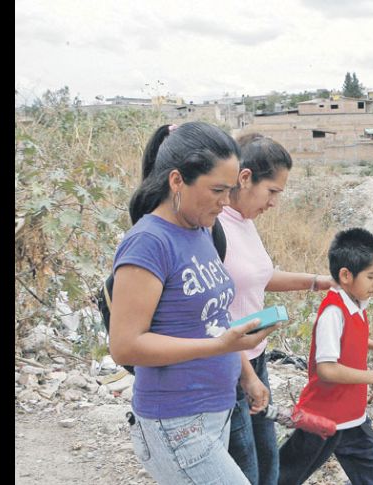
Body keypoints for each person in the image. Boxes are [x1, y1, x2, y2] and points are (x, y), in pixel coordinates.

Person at [109, 122, 278, 485]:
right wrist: (219, 346)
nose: (226, 200)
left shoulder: (203, 230)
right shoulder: (148, 243)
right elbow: (125, 344)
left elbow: (214, 318)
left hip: (214, 411)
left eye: (230, 190)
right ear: (176, 181)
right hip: (176, 422)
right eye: (217, 189)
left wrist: (247, 374)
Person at [219, 132, 334, 485]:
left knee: (269, 464)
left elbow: (259, 277)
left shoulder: (244, 223)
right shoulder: (215, 226)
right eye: (272, 192)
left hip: (254, 356)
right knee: (244, 470)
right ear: (245, 177)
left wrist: (316, 282)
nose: (274, 204)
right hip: (229, 364)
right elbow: (214, 312)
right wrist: (247, 376)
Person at [278, 228, 373, 485]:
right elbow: (327, 369)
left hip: (352, 418)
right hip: (321, 418)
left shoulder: (355, 304)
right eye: (371, 276)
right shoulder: (333, 312)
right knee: (284, 476)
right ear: (346, 275)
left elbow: (349, 340)